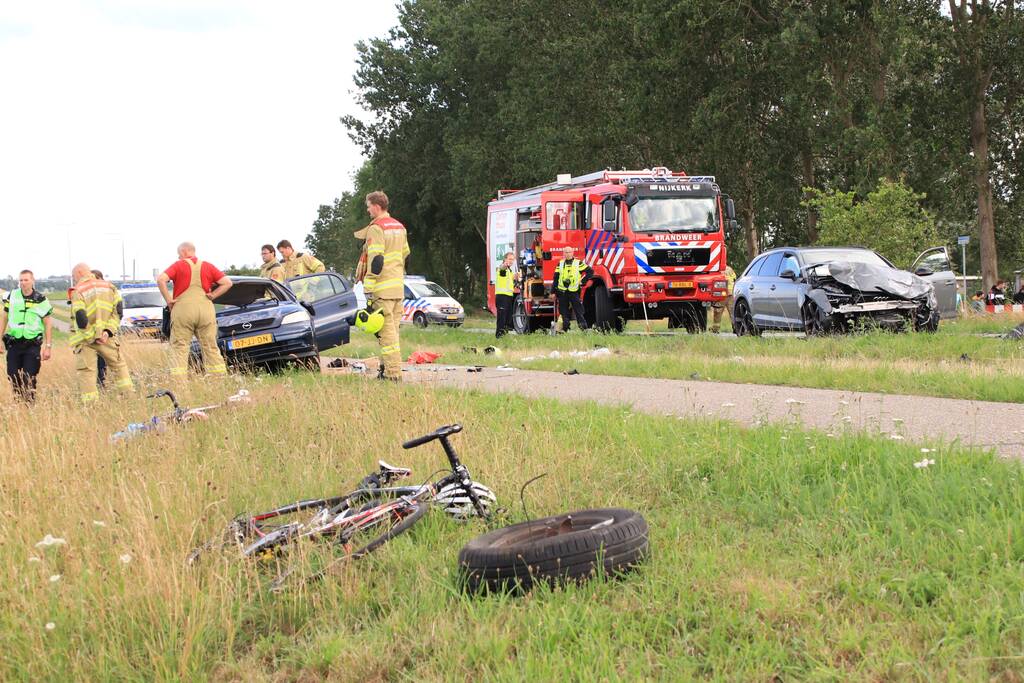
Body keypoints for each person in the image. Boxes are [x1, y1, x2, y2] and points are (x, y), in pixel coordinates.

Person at [355, 190, 410, 381]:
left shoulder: (377, 228)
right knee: (392, 333)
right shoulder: (399, 227)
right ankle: (384, 369)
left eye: (369, 206)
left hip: (382, 289)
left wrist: (368, 287)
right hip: (397, 289)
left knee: (387, 337)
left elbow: (376, 260)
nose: (368, 210)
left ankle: (393, 375)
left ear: (376, 206)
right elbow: (405, 254)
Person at [157, 242, 232, 377]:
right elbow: (227, 283)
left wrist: (169, 300)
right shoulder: (208, 265)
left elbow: (161, 279)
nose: (179, 257)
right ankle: (219, 379)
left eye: (179, 254)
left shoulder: (178, 265)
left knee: (179, 347)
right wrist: (213, 295)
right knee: (210, 347)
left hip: (183, 310)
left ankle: (179, 383)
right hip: (205, 310)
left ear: (185, 252)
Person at [69, 263, 133, 402]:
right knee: (119, 366)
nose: (74, 279)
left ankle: (91, 405)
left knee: (87, 372)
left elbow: (80, 317)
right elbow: (118, 312)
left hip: (86, 340)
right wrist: (107, 332)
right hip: (106, 338)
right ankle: (129, 397)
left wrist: (92, 336)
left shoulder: (78, 290)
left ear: (79, 273)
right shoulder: (110, 287)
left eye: (74, 276)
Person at [0, 270, 53, 403]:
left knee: (29, 378)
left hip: (32, 345)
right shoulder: (12, 296)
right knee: (13, 376)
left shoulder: (40, 299)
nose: (23, 283)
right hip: (14, 344)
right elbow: (4, 318)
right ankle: (19, 404)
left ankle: (30, 406)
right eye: (21, 280)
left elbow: (47, 323)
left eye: (26, 280)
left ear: (32, 280)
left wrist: (48, 346)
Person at [552, 245, 590, 332]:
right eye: (566, 252)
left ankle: (584, 329)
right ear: (563, 254)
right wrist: (553, 292)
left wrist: (583, 281)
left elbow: (590, 272)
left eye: (569, 252)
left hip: (574, 291)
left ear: (572, 253)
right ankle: (565, 329)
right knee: (563, 312)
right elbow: (556, 278)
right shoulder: (560, 264)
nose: (567, 254)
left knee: (578, 311)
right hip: (562, 292)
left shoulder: (578, 263)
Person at [90, 269, 109, 388]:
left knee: (103, 361)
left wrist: (107, 331)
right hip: (92, 334)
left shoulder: (108, 292)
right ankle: (99, 383)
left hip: (106, 334)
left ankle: (102, 382)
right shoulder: (89, 294)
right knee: (95, 363)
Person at [494, 252, 518, 338]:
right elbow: (502, 268)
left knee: (508, 319)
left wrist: (516, 277)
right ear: (505, 259)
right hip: (501, 297)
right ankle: (499, 336)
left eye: (513, 259)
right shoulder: (502, 269)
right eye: (510, 259)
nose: (511, 261)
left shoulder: (509, 271)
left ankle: (504, 335)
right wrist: (505, 264)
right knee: (502, 319)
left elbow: (511, 280)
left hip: (508, 296)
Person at [710, 265, 737, 333]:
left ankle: (715, 329)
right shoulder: (730, 269)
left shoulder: (717, 269)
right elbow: (734, 279)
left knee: (717, 311)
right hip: (731, 293)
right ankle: (736, 328)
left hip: (721, 294)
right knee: (733, 312)